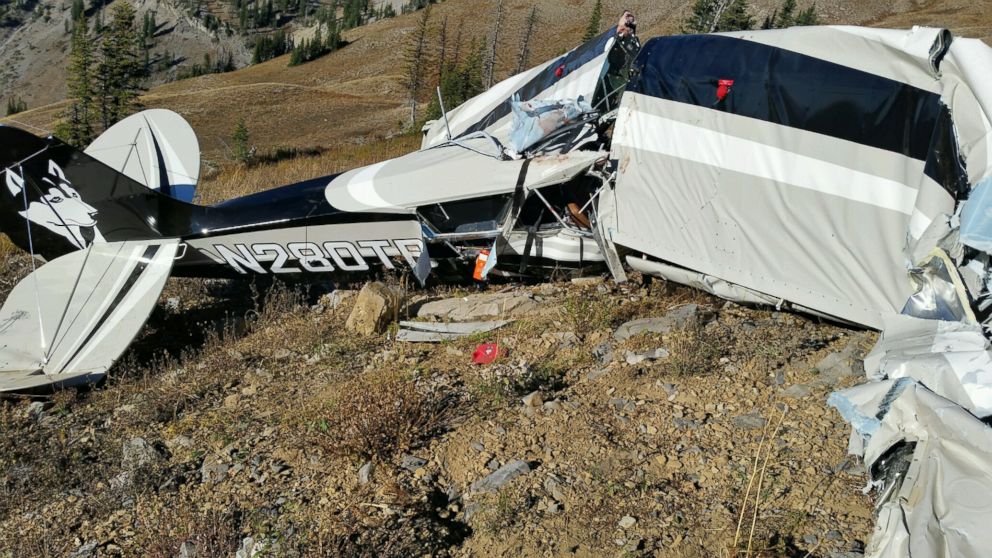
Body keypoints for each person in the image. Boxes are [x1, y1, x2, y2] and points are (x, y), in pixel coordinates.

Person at [595, 10, 641, 112]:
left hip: (625, 82)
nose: (630, 19)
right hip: (612, 80)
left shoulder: (635, 42)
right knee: (601, 107)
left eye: (631, 17)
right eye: (627, 16)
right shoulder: (616, 39)